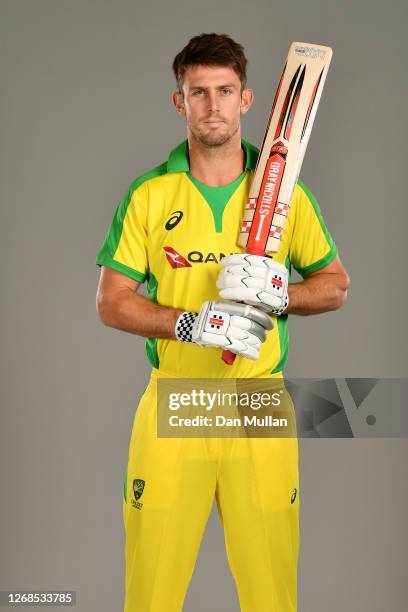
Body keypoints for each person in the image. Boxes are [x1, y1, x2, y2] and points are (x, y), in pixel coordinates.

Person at [95, 33, 349, 612]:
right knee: (151, 593)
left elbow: (334, 285)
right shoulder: (150, 195)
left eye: (225, 91)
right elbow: (111, 302)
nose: (213, 105)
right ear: (179, 101)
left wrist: (280, 294)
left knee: (271, 593)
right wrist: (188, 325)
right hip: (175, 401)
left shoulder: (286, 196)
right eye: (199, 92)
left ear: (248, 98)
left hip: (256, 404)